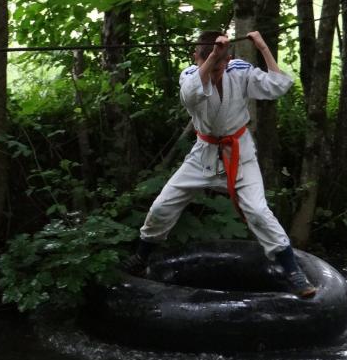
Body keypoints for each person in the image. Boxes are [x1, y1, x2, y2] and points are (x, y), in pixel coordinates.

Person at [123, 30, 317, 298]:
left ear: (228, 63)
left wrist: (262, 46)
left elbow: (279, 85)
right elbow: (190, 95)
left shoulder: (239, 71)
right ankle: (142, 257)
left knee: (258, 211)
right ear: (198, 57)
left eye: (220, 67)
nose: (216, 73)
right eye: (211, 66)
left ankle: (292, 270)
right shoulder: (190, 75)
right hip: (203, 154)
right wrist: (214, 55)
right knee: (162, 205)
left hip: (240, 153)